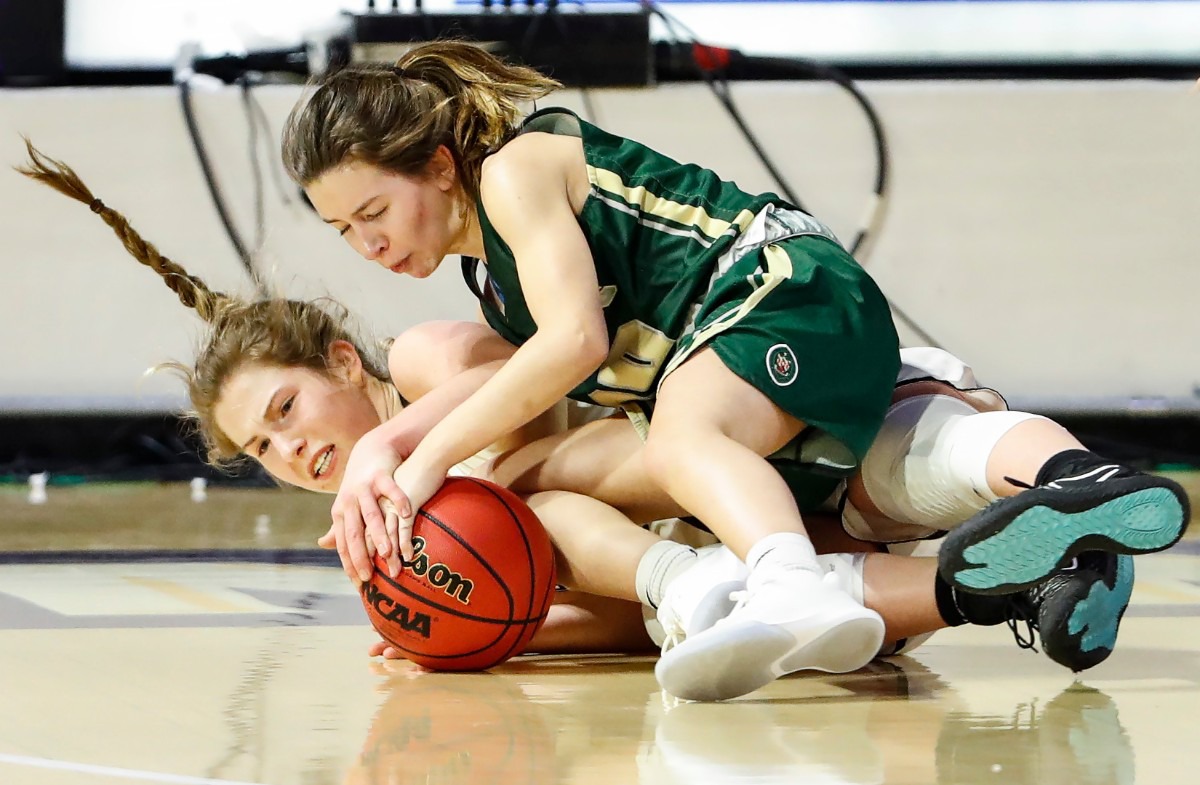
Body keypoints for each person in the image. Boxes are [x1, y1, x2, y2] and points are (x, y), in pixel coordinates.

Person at [18, 143, 1136, 699]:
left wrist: (393, 449)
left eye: (286, 408)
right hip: (763, 502)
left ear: (344, 361)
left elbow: (556, 394)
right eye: (262, 448)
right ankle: (1011, 579)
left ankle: (1067, 497)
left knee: (943, 457)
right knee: (798, 613)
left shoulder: (431, 360)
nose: (289, 447)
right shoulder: (441, 522)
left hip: (784, 397)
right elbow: (606, 597)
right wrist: (496, 633)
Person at [280, 42, 1187, 698]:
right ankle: (1036, 558)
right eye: (343, 231)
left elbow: (574, 347)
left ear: (439, 167)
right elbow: (539, 390)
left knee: (690, 439)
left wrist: (419, 458)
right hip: (751, 344)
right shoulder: (490, 276)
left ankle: (782, 583)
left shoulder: (513, 172)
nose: (369, 244)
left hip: (778, 285)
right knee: (745, 502)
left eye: (374, 210)